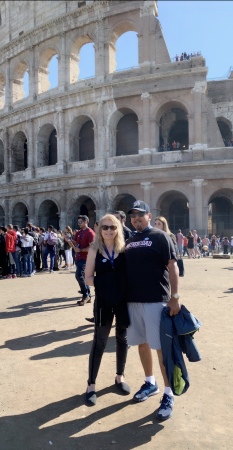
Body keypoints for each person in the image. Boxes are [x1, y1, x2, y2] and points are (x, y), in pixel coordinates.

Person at [125, 200, 180, 421]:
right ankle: (150, 382)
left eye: (140, 214)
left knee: (160, 348)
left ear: (149, 215)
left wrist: (175, 297)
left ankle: (168, 394)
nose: (136, 218)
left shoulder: (159, 236)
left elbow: (172, 265)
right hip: (133, 301)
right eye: (133, 215)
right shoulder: (129, 240)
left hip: (156, 300)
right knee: (142, 344)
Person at [84, 214, 130, 405]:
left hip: (122, 302)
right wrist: (108, 284)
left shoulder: (124, 249)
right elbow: (87, 278)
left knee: (122, 339)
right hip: (103, 302)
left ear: (118, 228)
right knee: (100, 341)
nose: (109, 230)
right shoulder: (95, 249)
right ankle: (91, 384)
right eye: (105, 227)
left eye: (113, 227)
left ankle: (120, 376)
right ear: (99, 229)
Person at [66, 215, 95, 305]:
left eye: (80, 222)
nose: (79, 224)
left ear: (86, 221)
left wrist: (82, 250)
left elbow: (92, 246)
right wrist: (68, 241)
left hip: (86, 258)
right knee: (83, 277)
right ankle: (87, 295)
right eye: (78, 222)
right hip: (78, 257)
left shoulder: (90, 232)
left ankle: (85, 294)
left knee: (79, 275)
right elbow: (74, 244)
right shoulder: (78, 233)